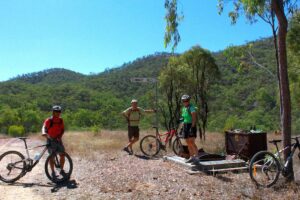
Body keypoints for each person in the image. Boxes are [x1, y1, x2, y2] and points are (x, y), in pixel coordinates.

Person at [42, 105, 66, 178]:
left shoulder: (61, 120)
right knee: (51, 157)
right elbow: (44, 127)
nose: (58, 113)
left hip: (58, 140)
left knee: (62, 154)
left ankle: (61, 169)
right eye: (56, 111)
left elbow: (62, 130)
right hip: (50, 140)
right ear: (53, 112)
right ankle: (53, 172)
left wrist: (60, 136)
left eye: (59, 111)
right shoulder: (49, 120)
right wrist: (44, 133)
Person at [181, 94, 199, 163]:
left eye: (186, 100)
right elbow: (184, 118)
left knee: (192, 142)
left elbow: (194, 118)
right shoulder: (184, 108)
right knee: (188, 142)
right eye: (184, 101)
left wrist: (192, 127)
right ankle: (191, 157)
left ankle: (197, 158)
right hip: (185, 126)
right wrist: (182, 126)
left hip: (191, 125)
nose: (185, 102)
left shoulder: (191, 107)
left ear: (188, 100)